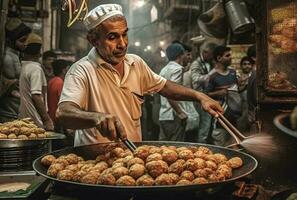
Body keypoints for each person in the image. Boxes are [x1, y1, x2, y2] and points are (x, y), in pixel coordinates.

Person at [56, 4, 223, 146]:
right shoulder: (81, 70)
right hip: (95, 164)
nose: (122, 44)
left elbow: (164, 86)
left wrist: (199, 96)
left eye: (124, 34)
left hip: (132, 156)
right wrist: (95, 118)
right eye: (112, 37)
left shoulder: (135, 63)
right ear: (93, 40)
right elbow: (63, 113)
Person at [19, 33, 54, 130]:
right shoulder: (35, 68)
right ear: (39, 52)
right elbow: (36, 96)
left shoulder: (25, 66)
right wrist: (47, 120)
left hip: (26, 120)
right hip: (36, 122)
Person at [205, 45, 239, 146]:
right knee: (221, 145)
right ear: (219, 58)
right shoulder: (212, 76)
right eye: (227, 55)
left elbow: (237, 89)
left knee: (234, 145)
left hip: (234, 117)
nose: (231, 57)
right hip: (220, 118)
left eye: (230, 55)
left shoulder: (233, 72)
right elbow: (205, 95)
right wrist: (217, 93)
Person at [0, 18, 31, 122]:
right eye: (22, 41)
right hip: (10, 106)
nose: (25, 44)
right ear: (11, 41)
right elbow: (10, 84)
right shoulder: (8, 57)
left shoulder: (18, 55)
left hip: (18, 105)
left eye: (26, 40)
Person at [158, 43, 187, 141]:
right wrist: (180, 112)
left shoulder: (164, 69)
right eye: (185, 54)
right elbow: (172, 93)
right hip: (173, 115)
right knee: (175, 148)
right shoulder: (177, 69)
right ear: (180, 55)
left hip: (164, 114)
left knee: (163, 147)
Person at [190, 42, 217, 143]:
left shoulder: (210, 62)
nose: (213, 57)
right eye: (211, 55)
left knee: (206, 127)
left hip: (207, 97)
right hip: (199, 99)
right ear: (205, 52)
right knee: (203, 128)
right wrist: (212, 74)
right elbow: (195, 79)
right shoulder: (196, 64)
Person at [48, 59, 71, 124]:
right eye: (68, 69)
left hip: (52, 117)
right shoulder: (59, 83)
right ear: (64, 71)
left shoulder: (52, 81)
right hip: (57, 120)